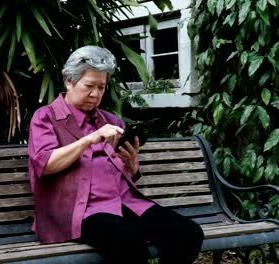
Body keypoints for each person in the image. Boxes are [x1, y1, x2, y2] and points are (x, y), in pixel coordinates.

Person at [27, 45, 204, 263]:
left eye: (101, 87)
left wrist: (131, 165)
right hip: (80, 211)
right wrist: (89, 139)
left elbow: (128, 175)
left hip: (124, 202)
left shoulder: (110, 121)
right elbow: (45, 165)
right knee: (129, 244)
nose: (95, 94)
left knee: (188, 234)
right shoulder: (46, 117)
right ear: (68, 81)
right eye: (89, 86)